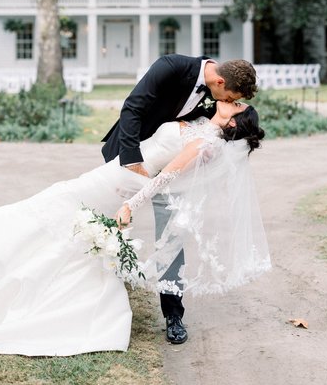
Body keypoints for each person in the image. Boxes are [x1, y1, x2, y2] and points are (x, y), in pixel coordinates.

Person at [0, 100, 270, 364]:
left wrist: (131, 205)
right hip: (117, 171)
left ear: (234, 120)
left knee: (64, 205)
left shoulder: (206, 144)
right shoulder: (200, 121)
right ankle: (12, 271)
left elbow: (166, 176)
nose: (233, 100)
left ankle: (1, 264)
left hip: (127, 183)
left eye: (238, 104)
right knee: (63, 206)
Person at [102, 53, 258, 343]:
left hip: (175, 172)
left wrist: (211, 146)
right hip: (130, 157)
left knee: (171, 240)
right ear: (220, 82)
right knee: (105, 226)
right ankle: (104, 294)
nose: (228, 102)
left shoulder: (219, 103)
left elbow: (212, 135)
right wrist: (132, 161)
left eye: (233, 102)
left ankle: (173, 315)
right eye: (230, 98)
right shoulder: (172, 67)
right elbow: (133, 108)